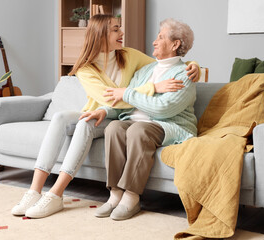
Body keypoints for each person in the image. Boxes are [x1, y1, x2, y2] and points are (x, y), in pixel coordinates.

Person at [11, 14, 200, 219]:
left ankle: (115, 196)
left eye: (160, 37)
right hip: (112, 113)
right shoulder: (90, 68)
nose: (122, 32)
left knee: (105, 126)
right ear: (101, 34)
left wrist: (194, 64)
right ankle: (38, 191)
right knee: (84, 122)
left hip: (146, 120)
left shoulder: (132, 56)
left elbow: (170, 66)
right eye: (116, 29)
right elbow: (113, 99)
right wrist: (147, 89)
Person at [81, 18, 197, 221]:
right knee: (115, 127)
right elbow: (128, 104)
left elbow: (164, 109)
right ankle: (115, 193)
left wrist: (127, 93)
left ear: (175, 44)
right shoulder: (145, 71)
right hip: (136, 122)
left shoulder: (184, 73)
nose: (154, 41)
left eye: (160, 37)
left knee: (138, 130)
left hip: (169, 125)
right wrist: (105, 112)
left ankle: (132, 197)